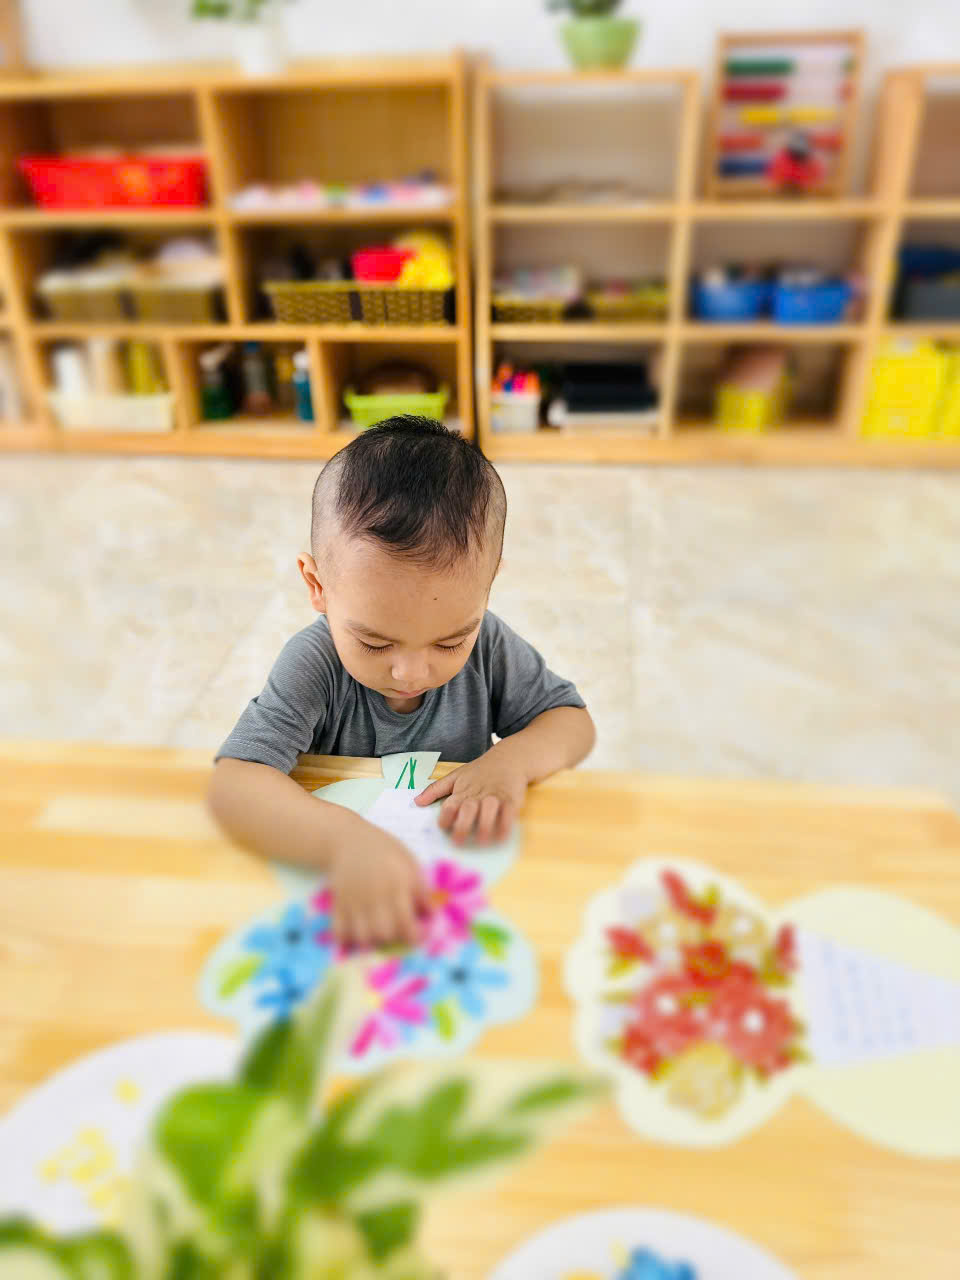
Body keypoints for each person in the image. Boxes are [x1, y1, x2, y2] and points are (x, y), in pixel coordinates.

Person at [209, 416, 595, 947]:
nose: (411, 673)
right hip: (341, 904)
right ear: (316, 585)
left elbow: (572, 723)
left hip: (458, 897)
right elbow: (234, 784)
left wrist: (511, 761)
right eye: (375, 643)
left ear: (488, 585)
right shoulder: (314, 663)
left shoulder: (488, 643)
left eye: (448, 642)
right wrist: (342, 843)